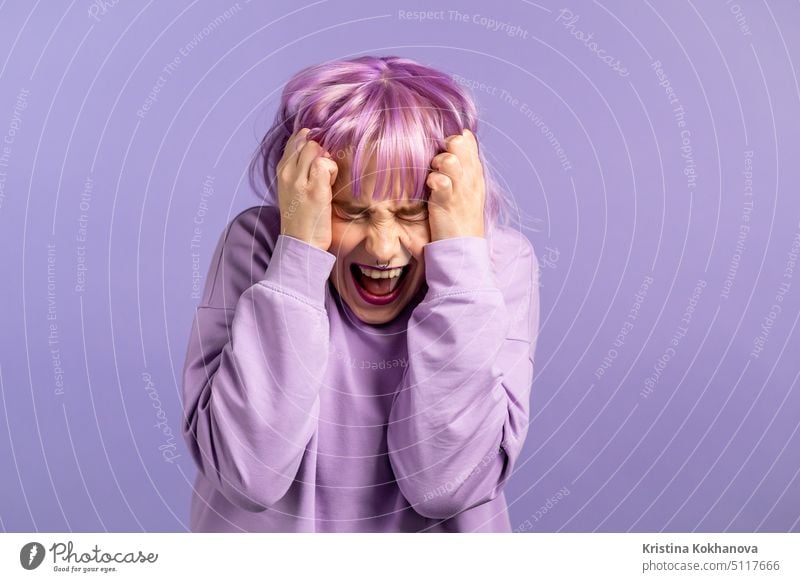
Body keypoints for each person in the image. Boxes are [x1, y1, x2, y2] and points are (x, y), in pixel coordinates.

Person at [181, 55, 540, 532]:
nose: (382, 247)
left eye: (412, 212)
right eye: (350, 211)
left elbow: (447, 487)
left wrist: (459, 263)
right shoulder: (258, 250)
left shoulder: (496, 267)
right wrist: (298, 258)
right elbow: (248, 476)